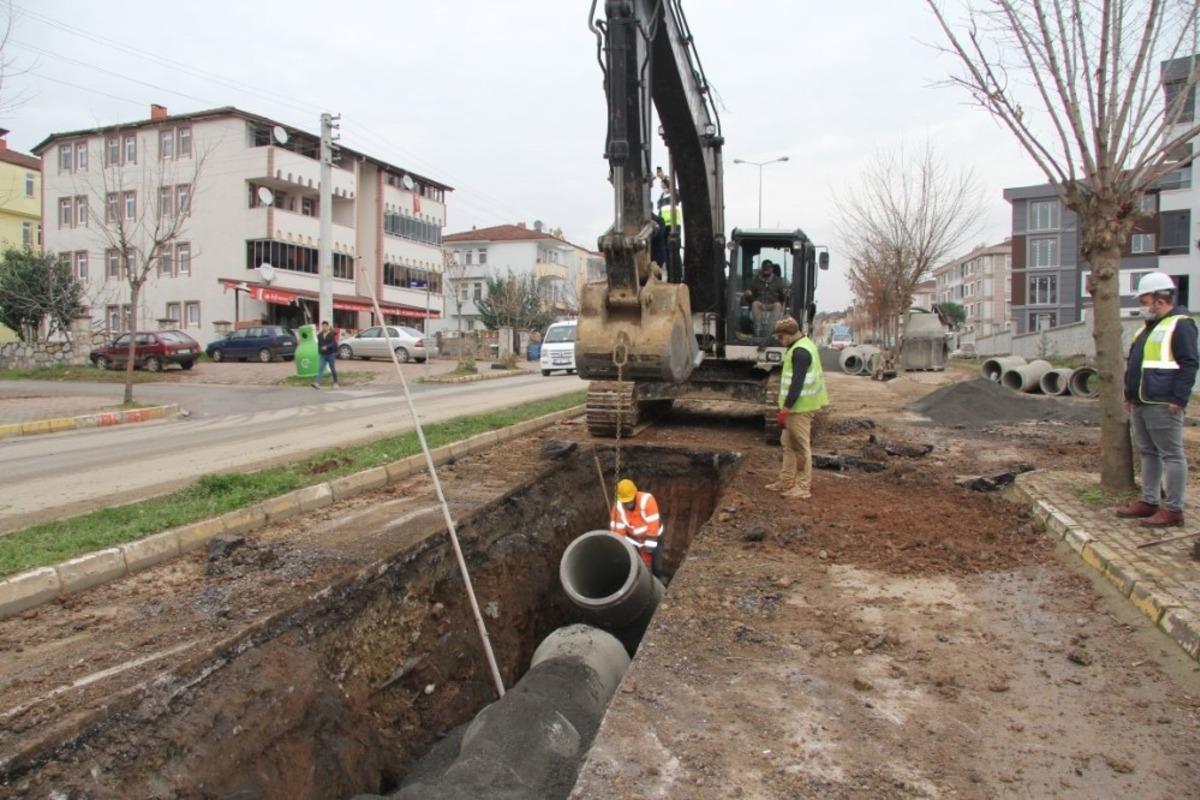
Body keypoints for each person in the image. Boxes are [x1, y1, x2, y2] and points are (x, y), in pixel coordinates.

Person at [1115, 272, 1198, 527]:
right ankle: (1149, 501)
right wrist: (1129, 395)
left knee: (1171, 454)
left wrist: (1178, 399)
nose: (1142, 305)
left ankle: (1173, 509)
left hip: (1163, 402)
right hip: (1142, 401)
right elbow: (1136, 366)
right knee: (1148, 452)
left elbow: (1189, 363)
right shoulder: (1146, 329)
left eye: (1144, 299)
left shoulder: (1180, 324)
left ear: (1159, 299)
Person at [767, 316, 828, 499]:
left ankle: (802, 487)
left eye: (780, 337)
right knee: (788, 444)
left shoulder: (801, 352)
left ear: (789, 335)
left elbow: (797, 383)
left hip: (800, 408)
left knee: (801, 447)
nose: (780, 341)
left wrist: (786, 408)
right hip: (797, 407)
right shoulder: (803, 345)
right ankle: (786, 480)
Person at [610, 478, 663, 572]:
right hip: (635, 540)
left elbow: (653, 528)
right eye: (624, 502)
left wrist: (647, 554)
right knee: (637, 567)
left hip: (654, 538)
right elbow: (618, 534)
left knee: (657, 567)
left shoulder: (647, 500)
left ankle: (658, 577)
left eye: (629, 501)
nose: (627, 504)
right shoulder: (618, 509)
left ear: (635, 494)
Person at [312, 320, 340, 389]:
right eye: (323, 326)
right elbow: (319, 344)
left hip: (331, 354)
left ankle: (335, 382)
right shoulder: (320, 335)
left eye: (325, 326)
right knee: (320, 368)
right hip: (323, 355)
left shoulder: (331, 334)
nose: (324, 328)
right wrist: (319, 351)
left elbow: (333, 343)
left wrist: (326, 347)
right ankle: (317, 384)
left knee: (332, 368)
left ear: (327, 327)